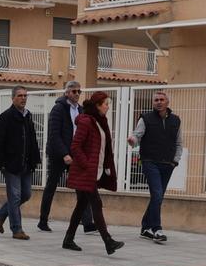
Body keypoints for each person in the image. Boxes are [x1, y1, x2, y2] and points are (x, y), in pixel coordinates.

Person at [63, 92, 124, 255]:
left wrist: (104, 167)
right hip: (85, 172)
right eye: (106, 104)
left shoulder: (100, 122)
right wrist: (87, 164)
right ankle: (108, 241)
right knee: (96, 203)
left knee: (81, 205)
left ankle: (68, 239)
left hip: (92, 172)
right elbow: (75, 146)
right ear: (97, 105)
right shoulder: (86, 122)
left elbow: (103, 149)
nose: (108, 106)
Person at [38, 80, 94, 234]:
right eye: (74, 91)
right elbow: (54, 135)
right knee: (51, 186)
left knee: (82, 187)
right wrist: (64, 154)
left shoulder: (81, 110)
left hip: (75, 153)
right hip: (59, 154)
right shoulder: (58, 109)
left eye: (79, 91)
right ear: (67, 92)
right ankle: (43, 220)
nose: (77, 94)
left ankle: (88, 223)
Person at [127, 90, 182, 244]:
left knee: (157, 197)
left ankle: (145, 228)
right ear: (153, 102)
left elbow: (179, 143)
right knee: (157, 194)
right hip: (150, 162)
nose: (158, 102)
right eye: (156, 100)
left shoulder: (176, 120)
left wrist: (175, 161)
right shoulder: (146, 118)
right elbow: (137, 135)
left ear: (167, 102)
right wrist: (132, 141)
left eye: (161, 99)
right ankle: (157, 229)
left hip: (168, 164)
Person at [0, 86, 42, 241]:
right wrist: (1, 163)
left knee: (25, 194)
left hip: (26, 164)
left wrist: (35, 159)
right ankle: (16, 229)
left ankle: (0, 214)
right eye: (20, 95)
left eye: (25, 95)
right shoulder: (6, 117)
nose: (23, 98)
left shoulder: (28, 116)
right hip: (11, 164)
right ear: (13, 98)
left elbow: (32, 140)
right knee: (15, 196)